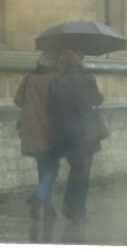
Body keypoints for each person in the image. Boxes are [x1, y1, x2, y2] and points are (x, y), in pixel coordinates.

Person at [48, 47, 106, 224]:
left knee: (76, 169)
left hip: (64, 133)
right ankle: (77, 211)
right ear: (78, 60)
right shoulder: (86, 79)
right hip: (84, 133)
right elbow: (94, 101)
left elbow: (52, 110)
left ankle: (70, 206)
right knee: (82, 173)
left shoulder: (55, 83)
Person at [13, 51, 60, 241]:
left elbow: (17, 101)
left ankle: (48, 209)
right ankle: (38, 198)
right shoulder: (56, 79)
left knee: (43, 169)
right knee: (53, 168)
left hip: (31, 128)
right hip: (48, 129)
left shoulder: (29, 78)